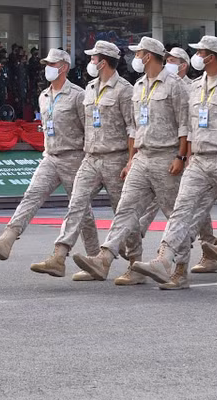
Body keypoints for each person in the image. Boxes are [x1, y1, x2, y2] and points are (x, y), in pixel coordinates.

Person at [132, 35, 217, 295]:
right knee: (181, 211)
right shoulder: (194, 87)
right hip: (199, 161)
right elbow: (189, 128)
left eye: (200, 52)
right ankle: (168, 263)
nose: (197, 56)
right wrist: (185, 157)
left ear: (211, 56)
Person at [73, 37, 191, 288]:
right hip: (142, 157)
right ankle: (105, 258)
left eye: (139, 53)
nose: (135, 57)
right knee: (125, 209)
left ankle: (180, 269)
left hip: (166, 156)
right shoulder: (139, 86)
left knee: (174, 215)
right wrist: (131, 159)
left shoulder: (175, 85)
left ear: (149, 56)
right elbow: (136, 127)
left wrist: (181, 157)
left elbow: (185, 125)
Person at [0, 49, 100, 265]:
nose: (47, 68)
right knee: (32, 195)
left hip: (74, 157)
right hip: (50, 156)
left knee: (80, 210)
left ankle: (95, 258)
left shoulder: (78, 95)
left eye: (52, 64)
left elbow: (89, 130)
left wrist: (89, 160)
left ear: (64, 67)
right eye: (46, 64)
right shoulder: (43, 96)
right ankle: (7, 239)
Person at [30, 40, 134, 279]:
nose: (90, 63)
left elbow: (132, 129)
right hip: (90, 158)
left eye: (93, 59)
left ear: (103, 62)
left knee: (122, 212)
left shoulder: (125, 90)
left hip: (116, 158)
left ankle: (134, 262)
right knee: (76, 205)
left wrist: (130, 161)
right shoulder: (89, 89)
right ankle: (58, 256)